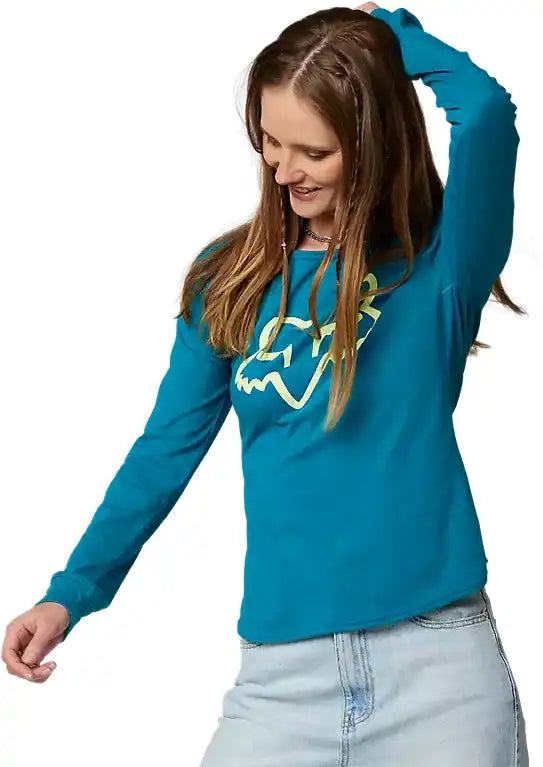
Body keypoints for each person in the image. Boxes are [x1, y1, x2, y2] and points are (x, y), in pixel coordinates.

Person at [2, 3, 530, 764]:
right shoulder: (231, 280)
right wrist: (71, 591)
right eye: (269, 141)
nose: (283, 170)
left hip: (439, 668)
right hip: (281, 679)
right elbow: (163, 452)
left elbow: (483, 112)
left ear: (373, 140)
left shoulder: (440, 265)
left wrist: (392, 38)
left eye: (313, 150)